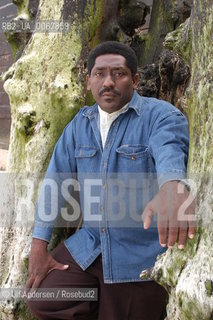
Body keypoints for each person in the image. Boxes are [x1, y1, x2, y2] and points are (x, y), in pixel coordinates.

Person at [26, 41, 195, 320]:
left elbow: (170, 150)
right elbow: (55, 182)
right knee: (44, 297)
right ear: (89, 79)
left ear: (136, 79)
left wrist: (172, 186)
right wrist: (38, 244)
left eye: (119, 74)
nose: (108, 82)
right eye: (99, 74)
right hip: (91, 245)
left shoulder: (160, 116)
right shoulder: (80, 125)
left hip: (138, 253)